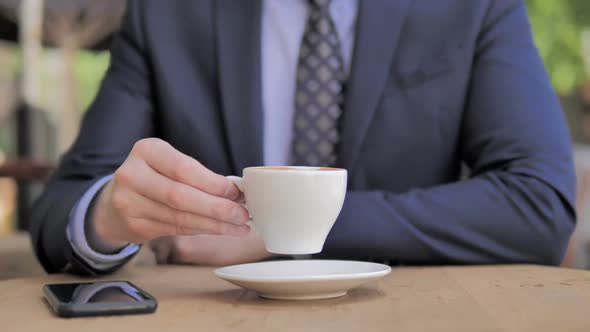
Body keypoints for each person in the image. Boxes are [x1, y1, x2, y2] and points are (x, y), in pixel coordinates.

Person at [30, 0, 576, 276]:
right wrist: (108, 216)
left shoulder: (474, 7)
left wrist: (283, 234)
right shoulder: (167, 12)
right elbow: (62, 207)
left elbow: (538, 204)